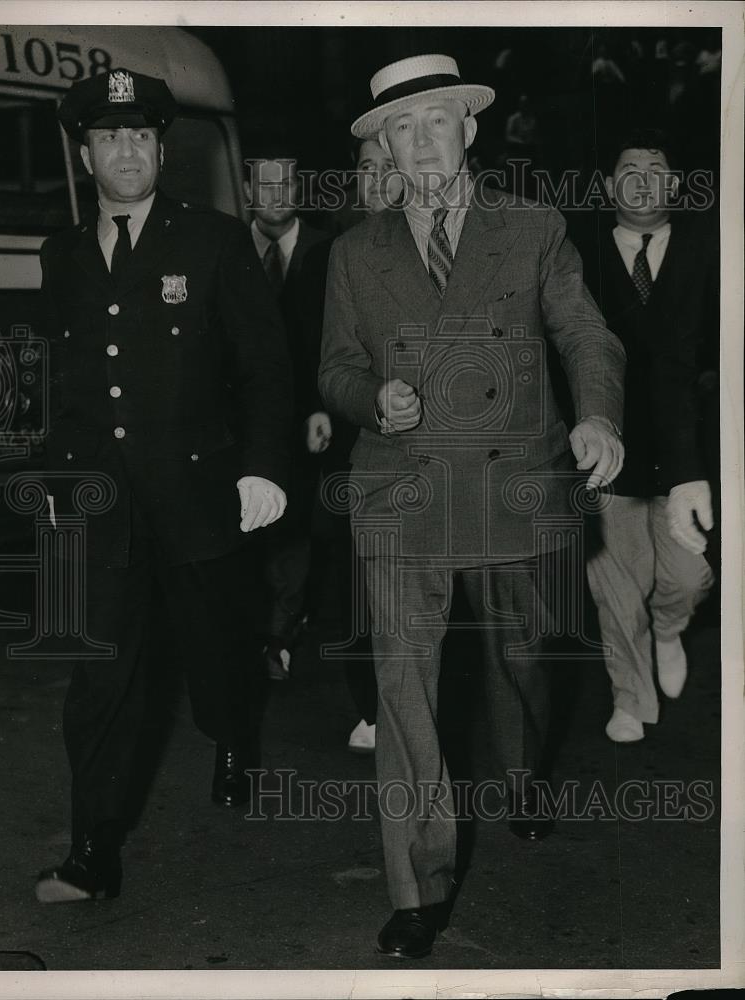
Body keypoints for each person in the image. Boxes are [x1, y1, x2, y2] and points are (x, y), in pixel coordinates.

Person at [318, 53, 626, 959]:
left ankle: (526, 772)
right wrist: (372, 399)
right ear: (383, 145)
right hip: (403, 493)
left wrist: (598, 417)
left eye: (437, 121)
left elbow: (584, 331)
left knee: (526, 664)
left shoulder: (530, 226)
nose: (421, 141)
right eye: (401, 128)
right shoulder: (353, 251)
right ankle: (420, 885)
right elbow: (334, 366)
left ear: (469, 131)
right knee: (403, 694)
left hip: (515, 480)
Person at [34, 69, 292, 902]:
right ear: (86, 152)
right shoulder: (63, 253)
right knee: (101, 677)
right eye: (110, 137)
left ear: (159, 148)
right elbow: (64, 378)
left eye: (140, 136)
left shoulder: (214, 241)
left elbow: (264, 369)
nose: (127, 151)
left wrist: (262, 466)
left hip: (197, 495)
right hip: (99, 506)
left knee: (216, 651)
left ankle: (230, 736)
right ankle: (90, 849)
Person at [579, 129, 716, 743]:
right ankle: (629, 698)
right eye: (627, 169)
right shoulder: (577, 252)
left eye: (655, 169)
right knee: (615, 585)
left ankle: (669, 627)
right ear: (610, 186)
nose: (640, 180)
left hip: (687, 453)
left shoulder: (711, 247)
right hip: (610, 452)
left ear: (676, 185)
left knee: (685, 577)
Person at [300, 136, 403, 753]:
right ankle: (370, 702)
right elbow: (304, 348)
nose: (377, 177)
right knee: (353, 577)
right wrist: (316, 407)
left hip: (426, 449)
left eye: (388, 165)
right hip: (351, 444)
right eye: (366, 167)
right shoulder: (328, 257)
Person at [244, 156, 328, 680]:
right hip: (244, 423)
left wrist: (321, 407)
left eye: (286, 183)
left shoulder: (331, 248)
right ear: (247, 190)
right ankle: (260, 632)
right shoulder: (225, 247)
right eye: (264, 184)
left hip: (311, 421)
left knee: (298, 527)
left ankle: (282, 632)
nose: (276, 194)